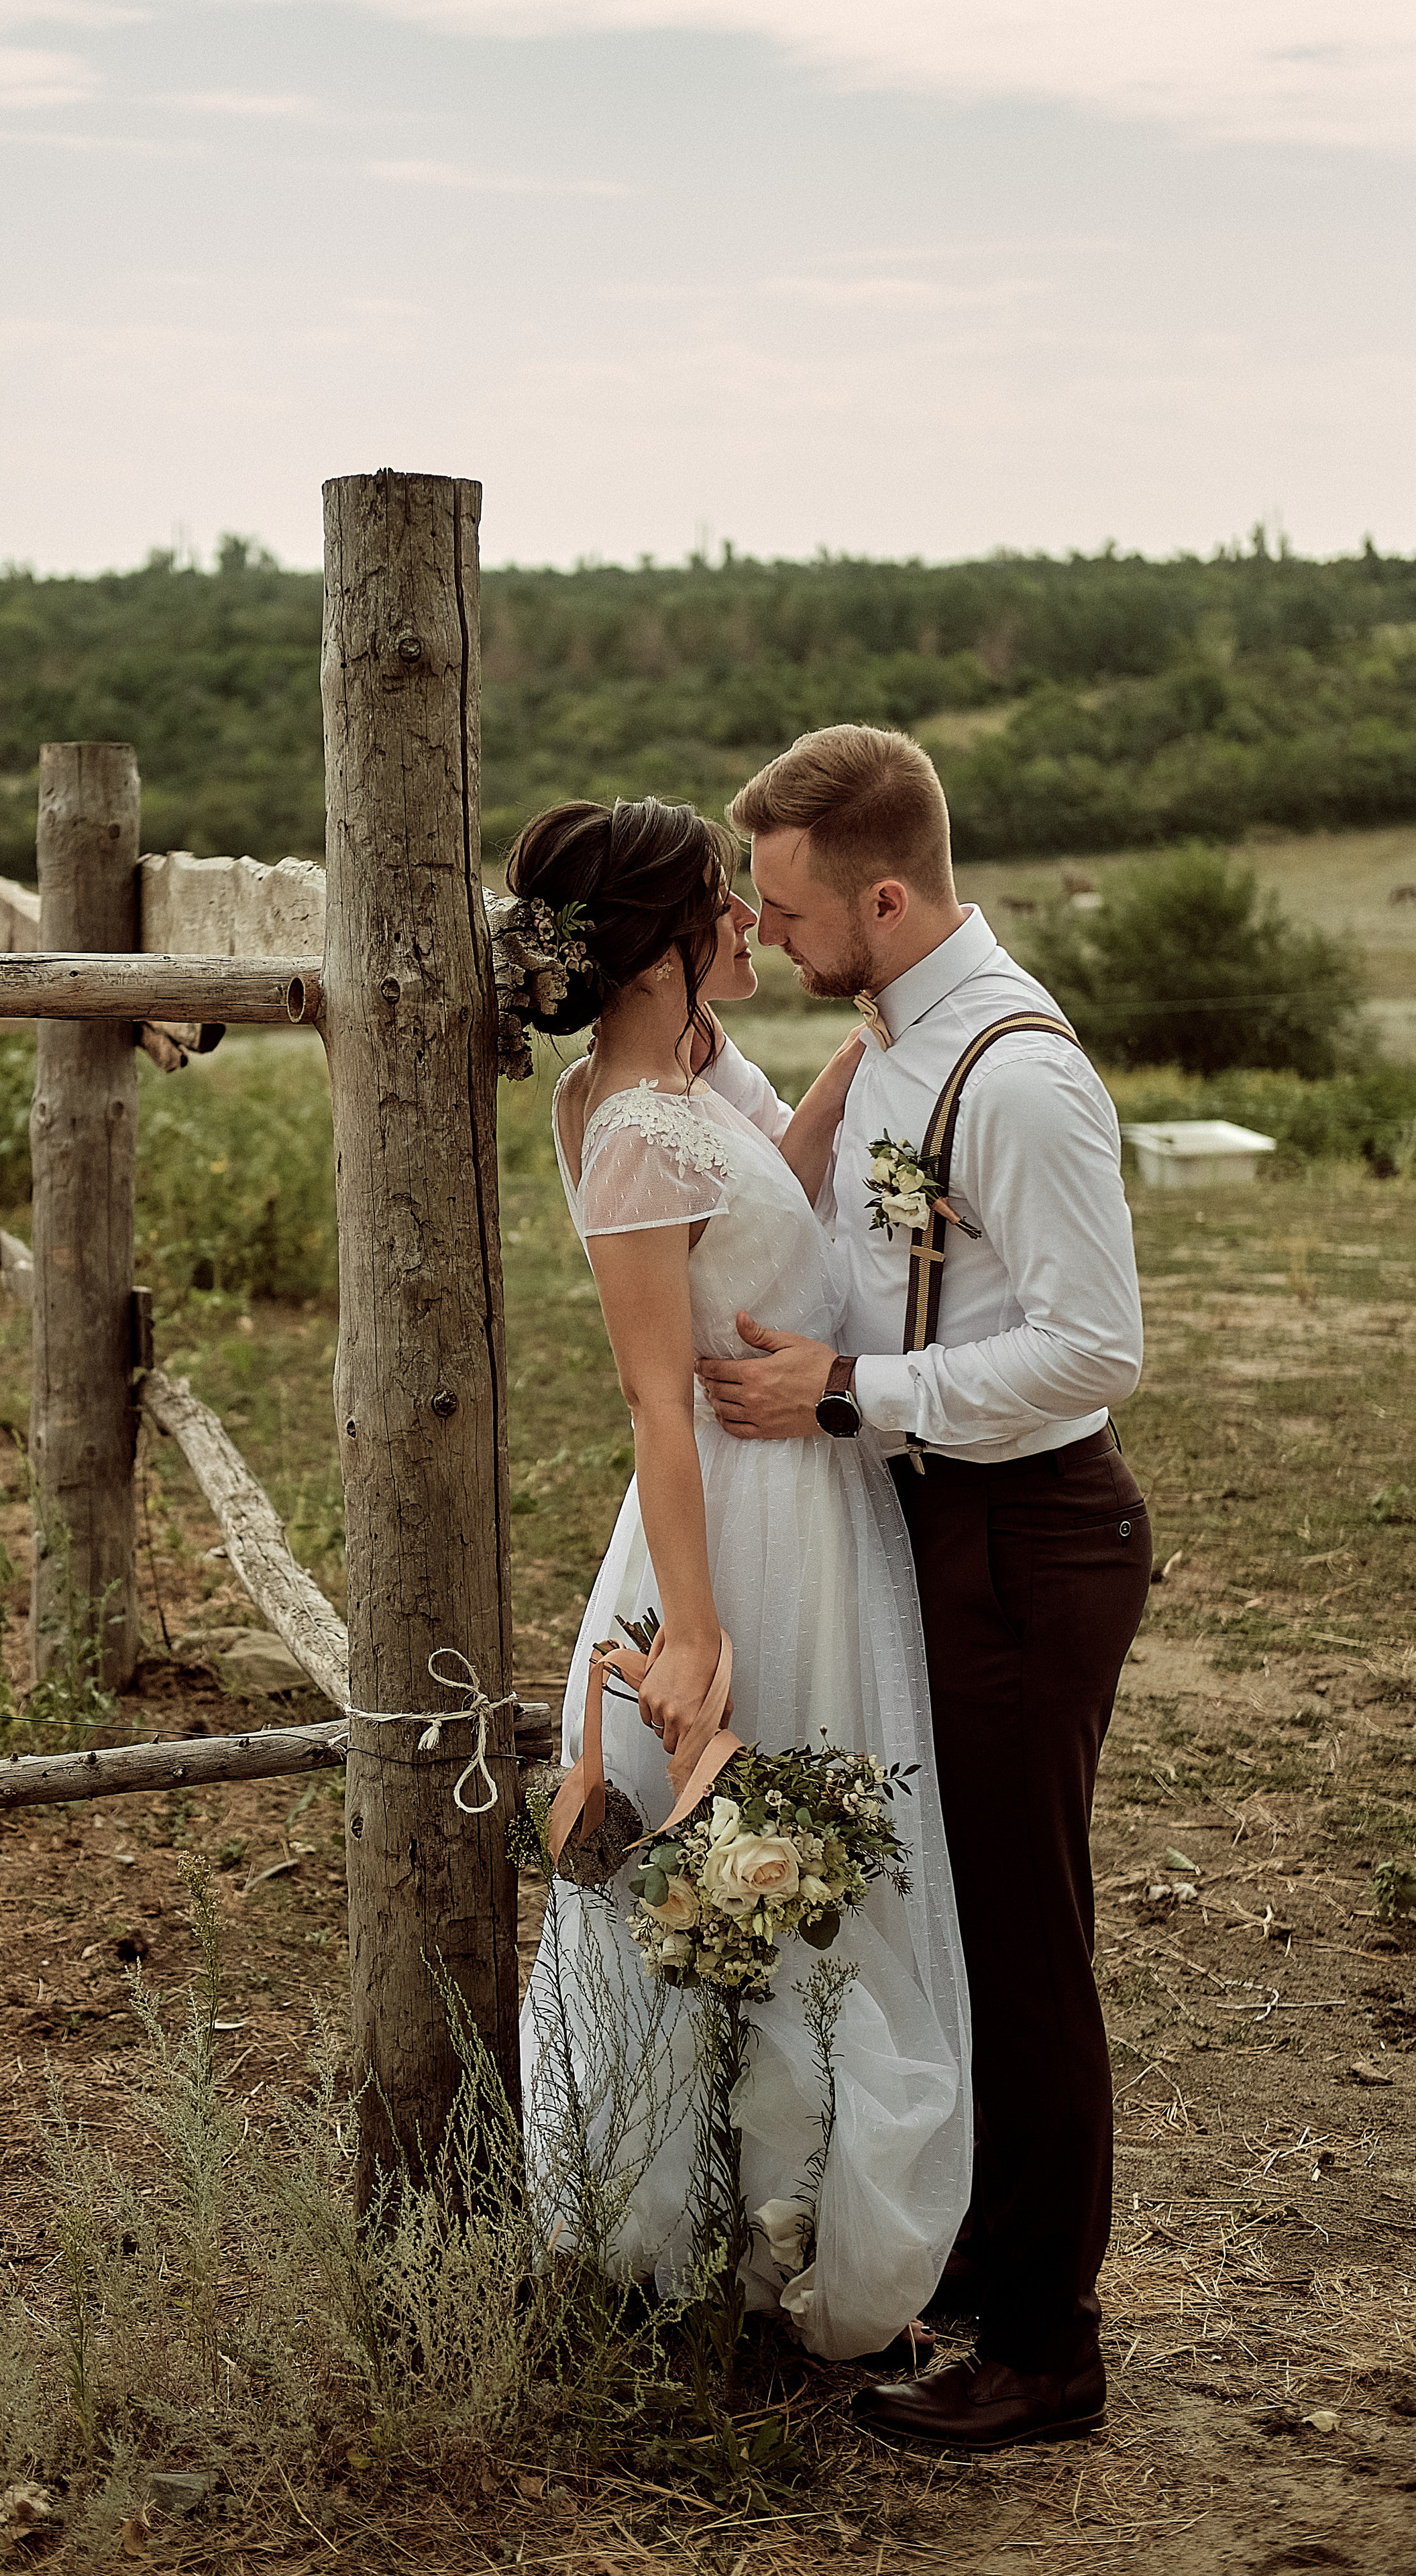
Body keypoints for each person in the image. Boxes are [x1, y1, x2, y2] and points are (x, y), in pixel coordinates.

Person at [696, 724, 1152, 2450]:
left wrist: (848, 1394)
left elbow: (1095, 1345)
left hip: (1031, 1534)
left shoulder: (1018, 1077)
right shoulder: (892, 1033)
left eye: (794, 907)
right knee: (957, 1919)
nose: (775, 927)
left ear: (885, 898)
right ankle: (980, 2258)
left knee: (1027, 1949)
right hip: (940, 1526)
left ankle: (1047, 2348)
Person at [512, 793, 971, 2365]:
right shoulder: (626, 1125)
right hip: (734, 1518)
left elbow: (747, 1217)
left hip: (795, 1492)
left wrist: (846, 1073)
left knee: (779, 1864)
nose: (745, 920)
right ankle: (735, 2247)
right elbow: (657, 1391)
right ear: (657, 942)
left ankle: (766, 2231)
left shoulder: (664, 1089)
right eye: (722, 898)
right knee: (743, 1856)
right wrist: (691, 1631)